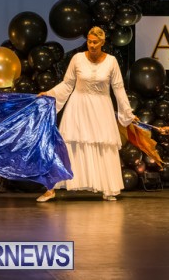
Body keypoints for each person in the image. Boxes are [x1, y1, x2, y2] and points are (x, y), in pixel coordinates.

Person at [36, 27, 137, 202]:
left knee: (103, 145)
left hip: (101, 108)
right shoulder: (77, 59)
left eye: (95, 42)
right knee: (69, 146)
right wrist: (50, 94)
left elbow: (119, 88)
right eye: (89, 41)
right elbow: (67, 84)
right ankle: (51, 189)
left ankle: (108, 188)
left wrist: (127, 113)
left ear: (102, 43)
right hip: (78, 106)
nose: (91, 45)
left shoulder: (111, 61)